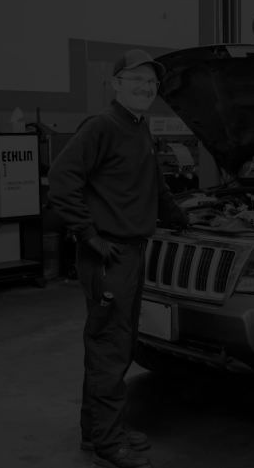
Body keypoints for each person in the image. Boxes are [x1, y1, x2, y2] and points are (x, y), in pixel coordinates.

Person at [48, 49, 199, 468]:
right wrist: (89, 233)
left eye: (151, 82)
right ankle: (108, 444)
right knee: (109, 350)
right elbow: (61, 179)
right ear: (115, 84)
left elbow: (155, 187)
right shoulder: (102, 126)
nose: (146, 87)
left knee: (120, 345)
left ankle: (96, 429)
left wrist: (184, 219)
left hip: (133, 252)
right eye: (136, 79)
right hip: (108, 255)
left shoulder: (139, 127)